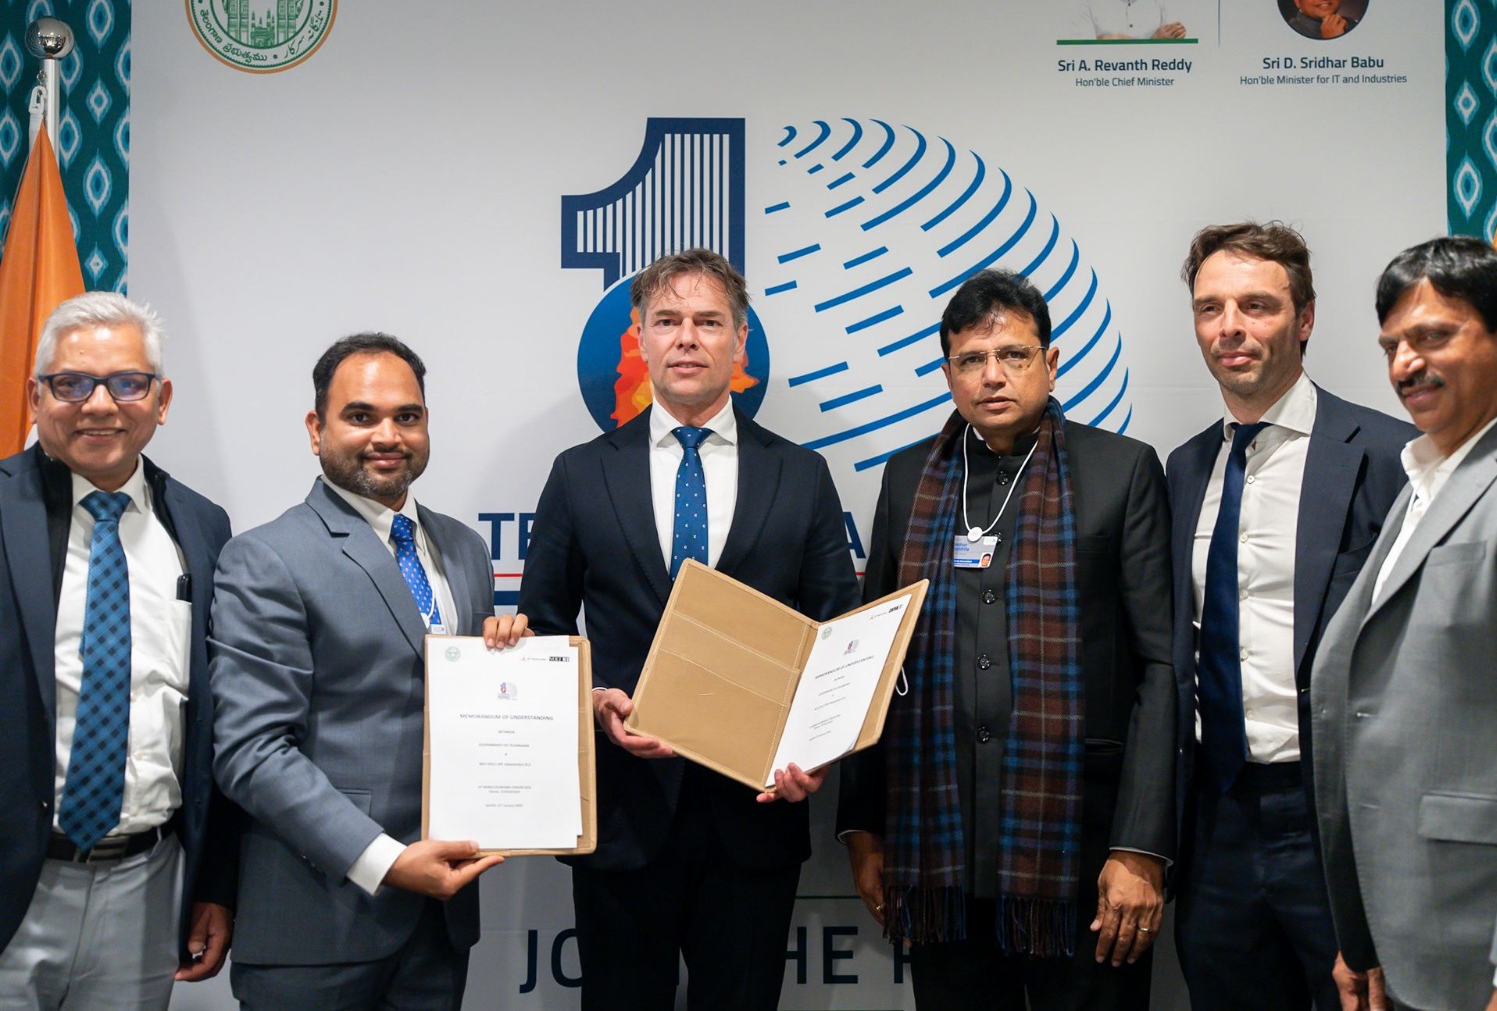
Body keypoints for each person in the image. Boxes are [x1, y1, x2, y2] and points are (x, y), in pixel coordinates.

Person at [518, 248, 859, 1010]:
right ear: (639, 338)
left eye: (708, 322)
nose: (687, 338)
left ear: (740, 343)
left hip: (756, 815)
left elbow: (838, 636)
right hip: (623, 814)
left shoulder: (801, 474)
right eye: (667, 321)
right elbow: (542, 628)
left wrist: (816, 749)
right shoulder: (580, 473)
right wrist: (594, 701)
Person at [837, 268, 1176, 1009]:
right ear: (948, 374)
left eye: (1014, 355)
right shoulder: (907, 480)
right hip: (937, 847)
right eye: (971, 359)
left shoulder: (1121, 470)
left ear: (1050, 363)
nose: (992, 375)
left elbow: (1161, 666)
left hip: (1083, 851)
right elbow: (870, 660)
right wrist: (863, 829)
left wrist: (1140, 847)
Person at [1312, 237, 1497, 1011]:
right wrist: (1363, 935)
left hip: (1488, 947)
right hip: (1404, 930)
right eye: (1392, 346)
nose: (1407, 363)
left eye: (1434, 336)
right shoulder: (1423, 479)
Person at [209, 333, 527, 1010]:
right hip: (317, 925)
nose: (388, 436)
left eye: (407, 416)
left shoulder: (465, 549)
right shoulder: (266, 557)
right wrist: (385, 859)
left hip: (440, 928)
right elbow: (251, 750)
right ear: (315, 429)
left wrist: (516, 670)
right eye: (361, 416)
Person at [1166, 223, 1411, 1011]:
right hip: (1215, 820)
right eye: (1211, 308)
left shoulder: (1391, 457)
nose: (1229, 327)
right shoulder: (1184, 468)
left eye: (1256, 306)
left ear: (1304, 319)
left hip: (1337, 820)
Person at [0, 293, 237, 1009]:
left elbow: (216, 719)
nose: (99, 405)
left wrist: (215, 884)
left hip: (147, 887)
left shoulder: (202, 526)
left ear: (161, 400)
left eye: (127, 383)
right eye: (72, 383)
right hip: (15, 882)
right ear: (35, 397)